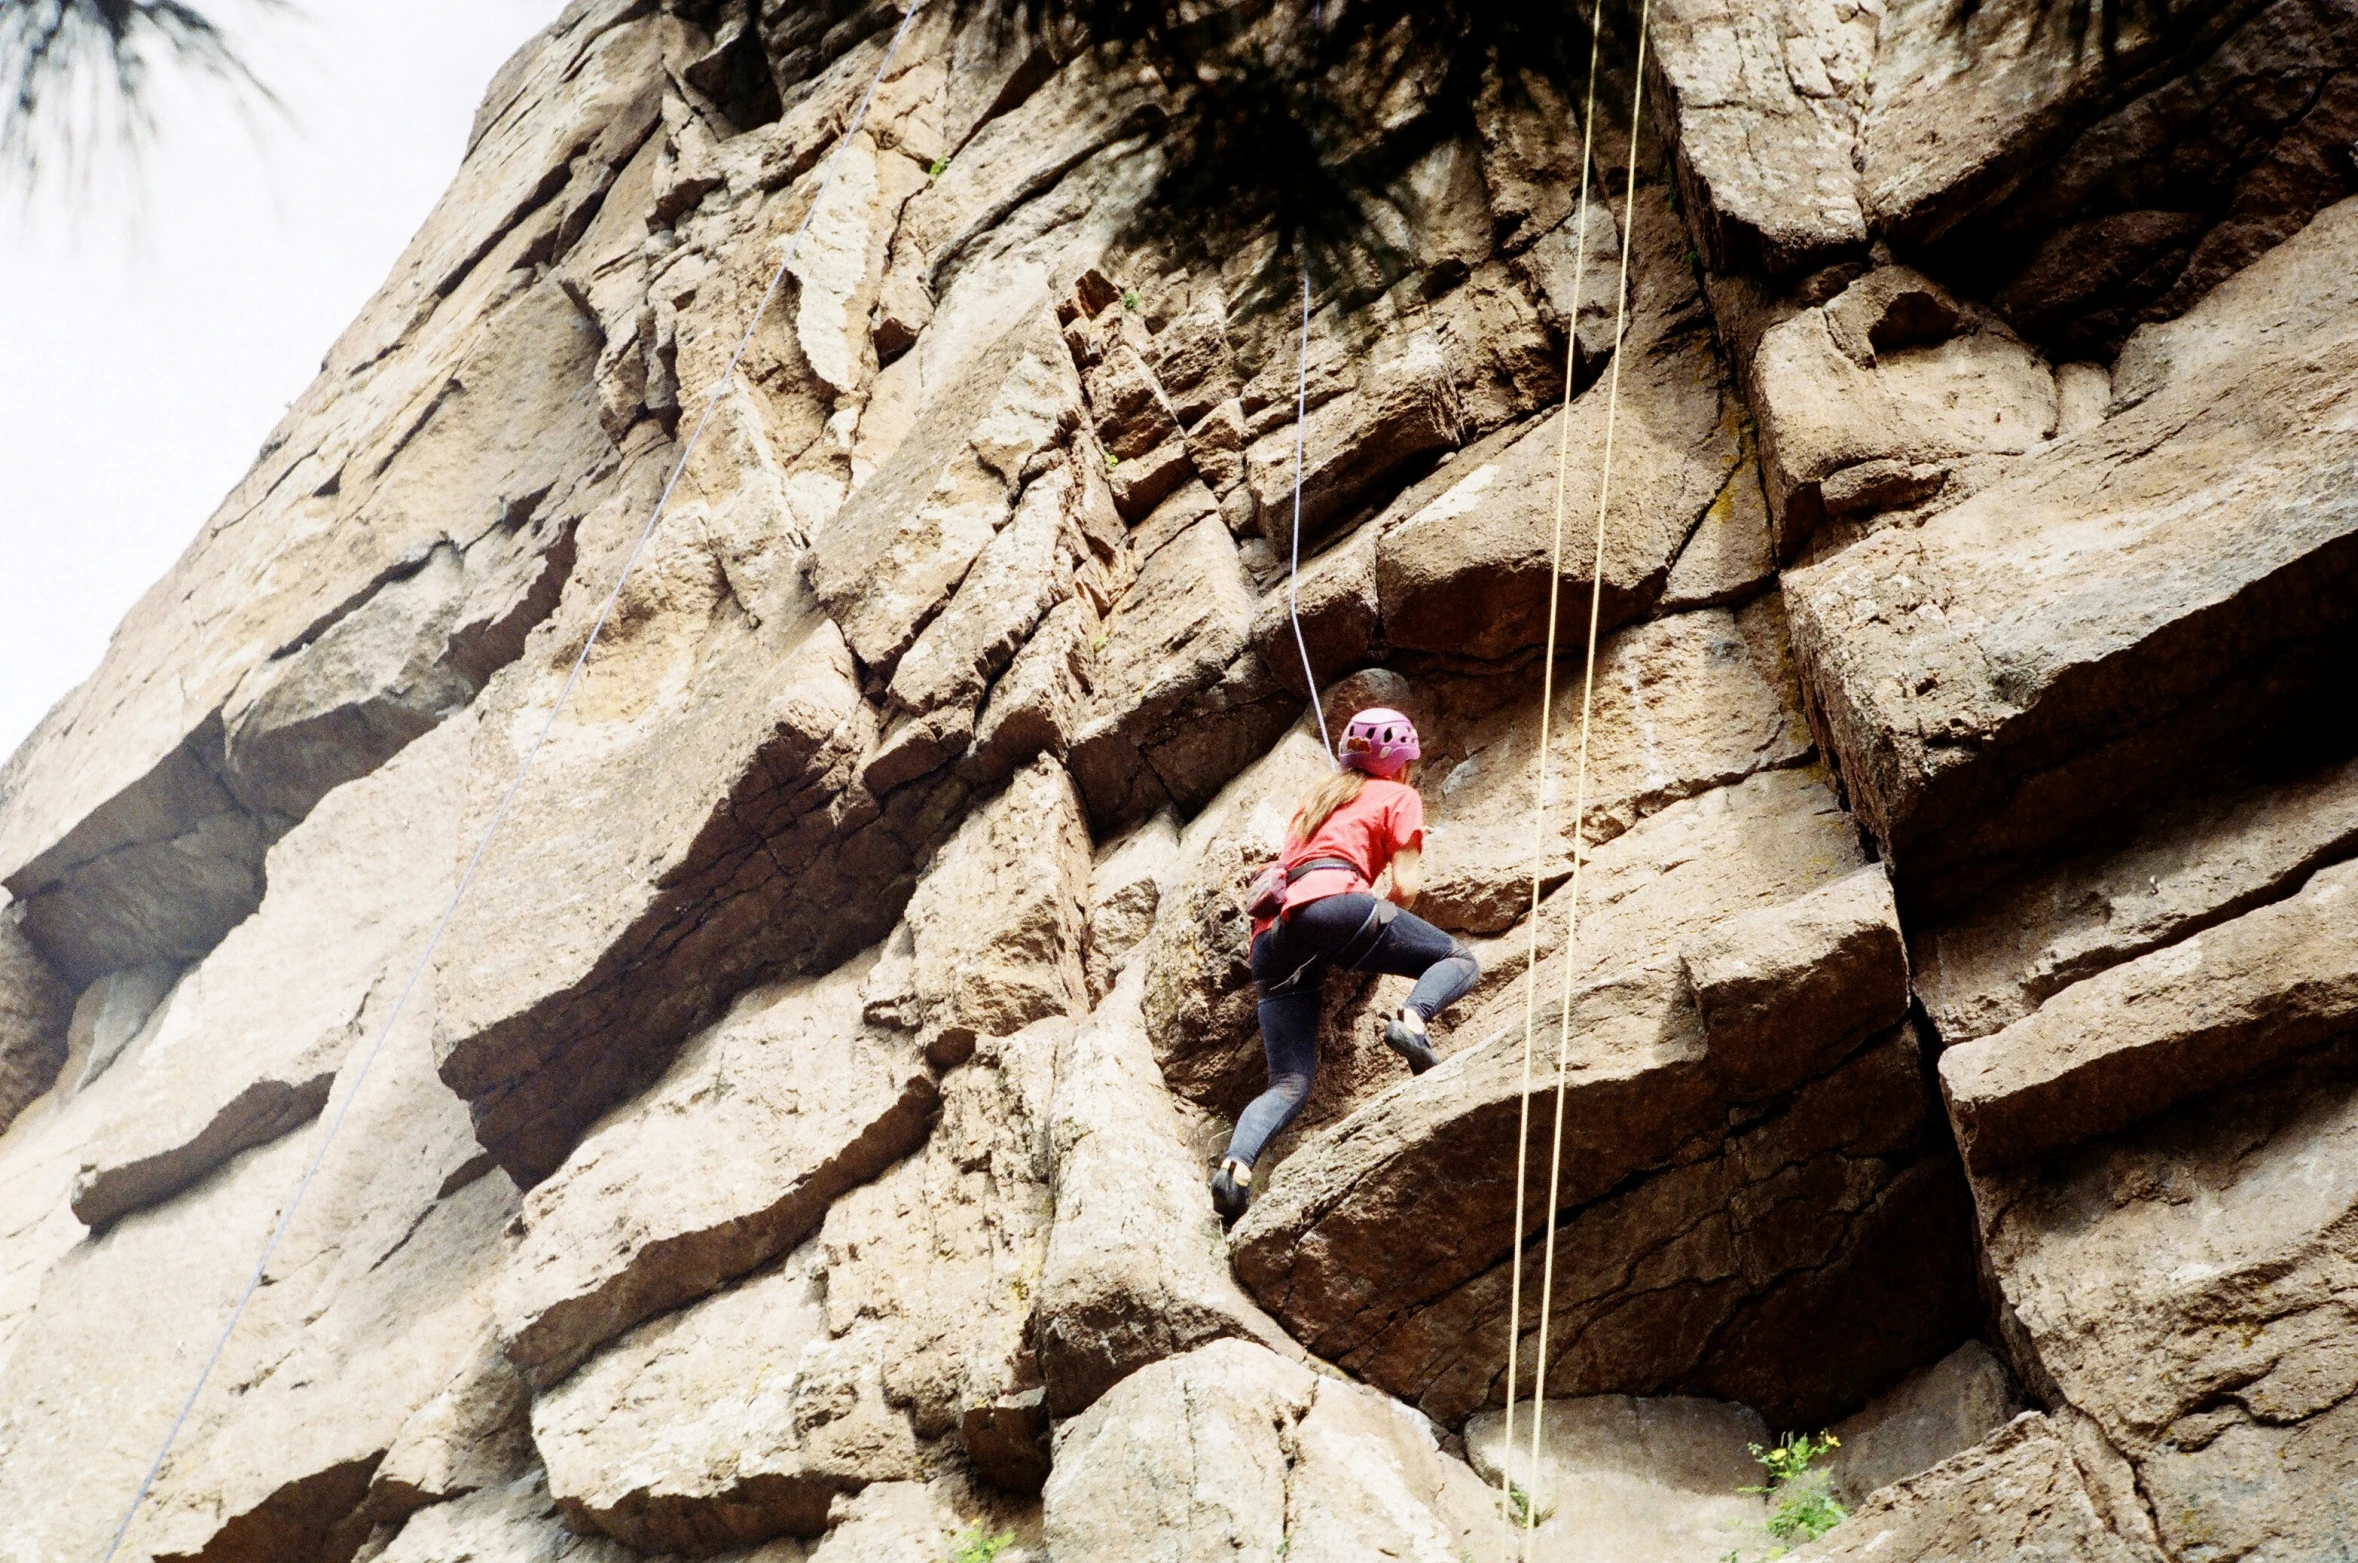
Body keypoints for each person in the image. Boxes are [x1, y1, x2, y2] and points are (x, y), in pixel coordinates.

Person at [1211, 706, 1479, 1225]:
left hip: (1271, 943)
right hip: (1335, 906)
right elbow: (1405, 885)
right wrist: (1377, 921)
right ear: (1400, 763)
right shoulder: (1399, 795)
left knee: (1288, 1082)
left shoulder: (1315, 803)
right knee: (1458, 958)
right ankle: (1413, 1022)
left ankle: (1235, 1170)